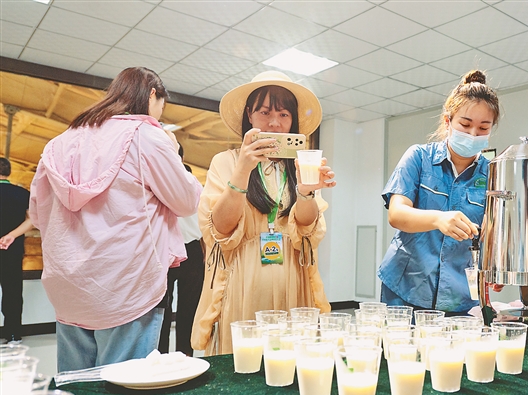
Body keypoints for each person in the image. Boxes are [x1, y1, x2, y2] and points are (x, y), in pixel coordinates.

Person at [29, 67, 202, 372]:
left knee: (78, 387)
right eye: (161, 106)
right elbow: (187, 201)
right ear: (152, 94)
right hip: (127, 286)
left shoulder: (59, 142)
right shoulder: (146, 136)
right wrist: (174, 153)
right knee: (124, 388)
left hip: (68, 288)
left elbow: (38, 214)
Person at [191, 71, 335, 355]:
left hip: (294, 282)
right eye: (265, 112)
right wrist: (243, 169)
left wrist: (306, 192)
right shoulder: (226, 161)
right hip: (242, 283)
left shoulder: (301, 166)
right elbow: (219, 229)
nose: (274, 123)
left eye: (284, 114)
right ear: (249, 115)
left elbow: (307, 231)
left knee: (291, 367)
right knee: (245, 364)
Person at [377, 70, 501, 316]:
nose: (473, 134)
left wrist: (496, 264)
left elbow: (491, 233)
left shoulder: (492, 174)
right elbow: (397, 214)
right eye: (465, 125)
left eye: (483, 128)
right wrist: (438, 219)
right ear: (448, 121)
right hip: (405, 286)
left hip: (457, 293)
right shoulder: (419, 157)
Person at [158, 145, 205, 356]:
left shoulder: (189, 181)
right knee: (167, 307)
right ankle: (168, 356)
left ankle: (179, 356)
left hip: (186, 249)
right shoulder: (162, 180)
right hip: (170, 250)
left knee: (184, 307)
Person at [0, 158, 35, 344]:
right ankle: (13, 335)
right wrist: (11, 235)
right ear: (9, 172)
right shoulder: (22, 193)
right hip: (12, 250)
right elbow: (32, 220)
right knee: (13, 292)